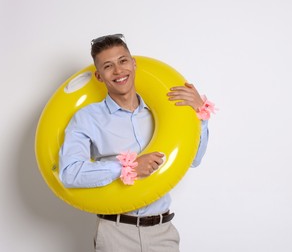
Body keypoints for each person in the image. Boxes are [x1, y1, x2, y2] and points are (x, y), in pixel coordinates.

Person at [59, 34, 210, 252]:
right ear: (99, 76)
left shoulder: (164, 112)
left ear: (133, 63)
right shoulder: (87, 118)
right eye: (108, 66)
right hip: (116, 233)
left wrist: (200, 116)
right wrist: (126, 168)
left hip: (162, 232)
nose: (118, 71)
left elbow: (194, 159)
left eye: (123, 61)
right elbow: (70, 174)